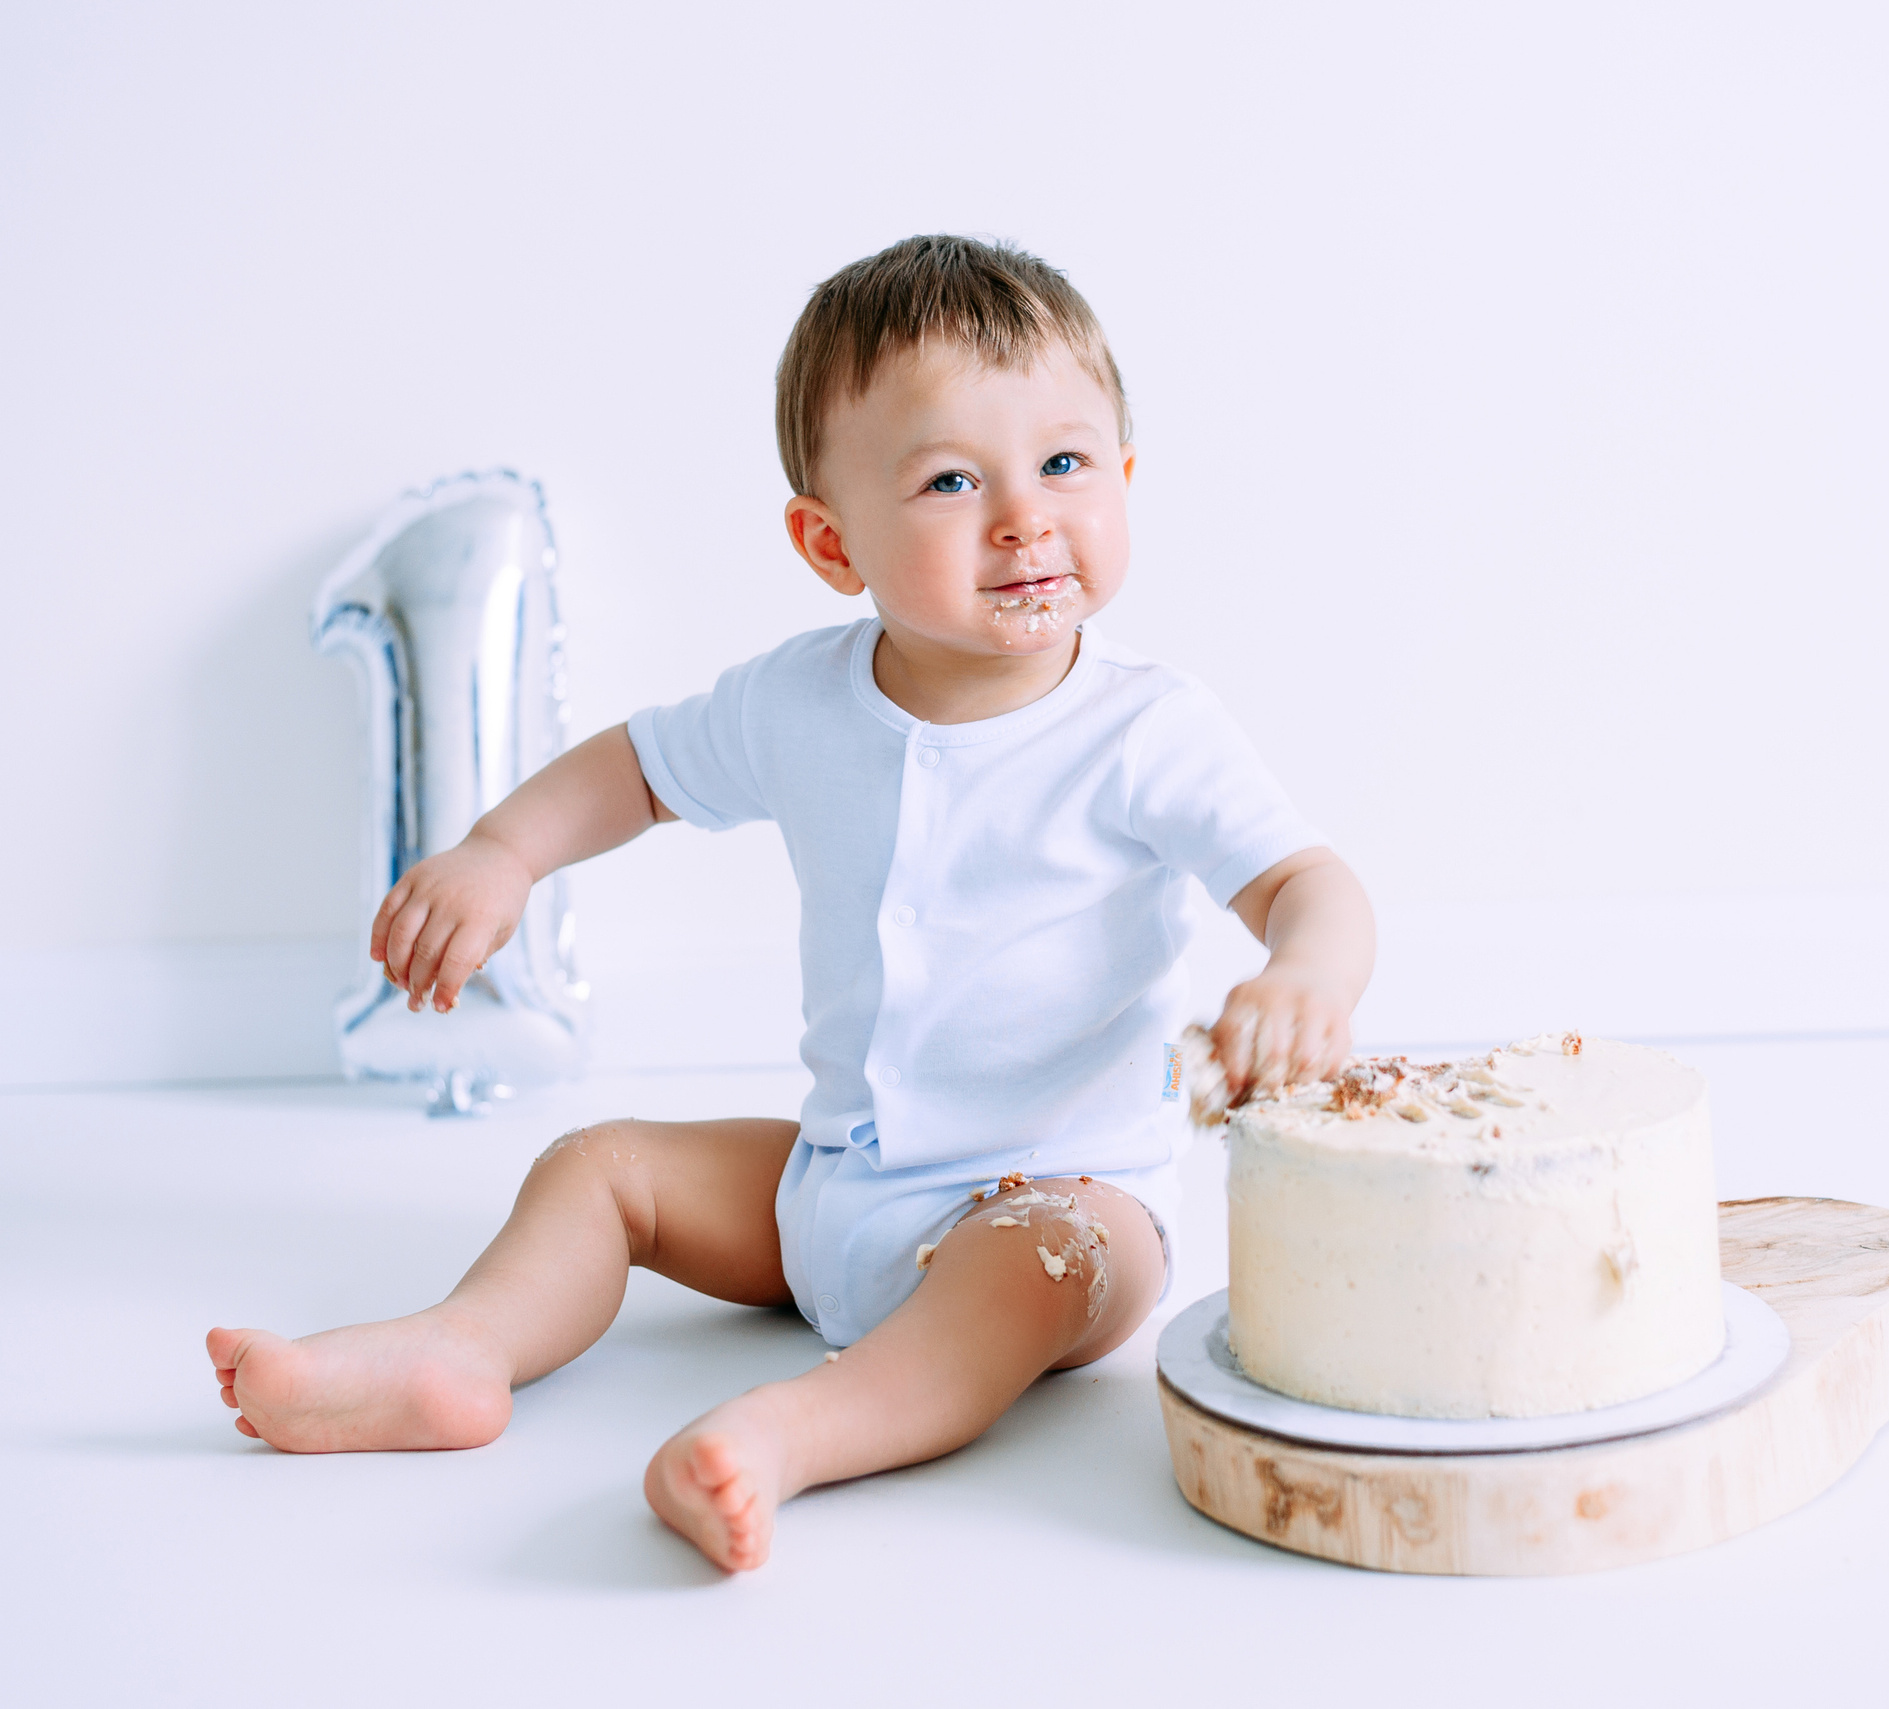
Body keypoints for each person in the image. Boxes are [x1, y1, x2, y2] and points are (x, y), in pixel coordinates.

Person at [205, 234, 1376, 1572]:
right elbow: (636, 770)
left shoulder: (1146, 728)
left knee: (1041, 1266)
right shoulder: (800, 700)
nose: (1024, 516)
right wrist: (501, 850)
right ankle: (462, 1348)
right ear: (832, 543)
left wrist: (1304, 976)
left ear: (1123, 478)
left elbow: (1310, 883)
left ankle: (792, 1433)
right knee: (601, 1167)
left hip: (1062, 1198)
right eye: (951, 479)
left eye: (1064, 463)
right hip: (834, 1182)